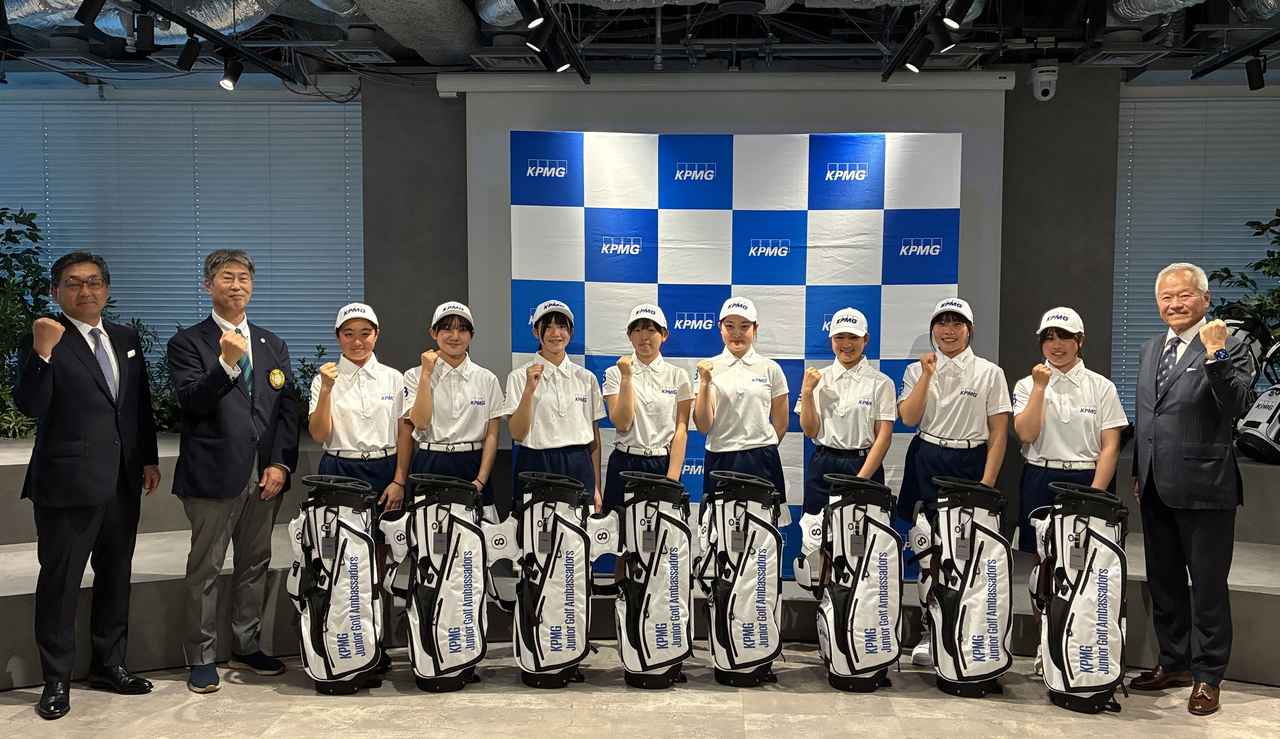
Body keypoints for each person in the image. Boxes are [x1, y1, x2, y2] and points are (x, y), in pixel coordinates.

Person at [14, 251, 161, 720]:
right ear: (56, 291)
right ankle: (56, 680)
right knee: (60, 582)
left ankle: (109, 665)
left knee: (116, 576)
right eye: (74, 283)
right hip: (67, 483)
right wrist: (42, 353)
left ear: (107, 289)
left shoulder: (124, 337)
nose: (86, 291)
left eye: (94, 282)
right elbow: (30, 405)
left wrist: (148, 458)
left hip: (122, 479)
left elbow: (137, 404)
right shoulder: (45, 336)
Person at [167, 249, 300, 694]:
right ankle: (201, 656)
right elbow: (192, 402)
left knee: (254, 564)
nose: (237, 285)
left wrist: (280, 463)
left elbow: (286, 410)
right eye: (227, 277)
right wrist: (225, 363)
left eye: (244, 277)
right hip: (213, 475)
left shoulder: (271, 343)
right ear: (208, 285)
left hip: (265, 477)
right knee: (205, 568)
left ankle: (246, 644)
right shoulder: (188, 343)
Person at [1129, 262, 1253, 716]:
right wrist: (1139, 472)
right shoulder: (1150, 349)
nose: (1175, 304)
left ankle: (1207, 676)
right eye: (1166, 297)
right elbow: (1148, 416)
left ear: (1205, 299)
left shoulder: (1229, 344)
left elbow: (1238, 404)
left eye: (1184, 295)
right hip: (1155, 486)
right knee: (1164, 584)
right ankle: (1174, 663)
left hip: (1206, 487)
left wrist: (1215, 354)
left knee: (1207, 588)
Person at [1011, 307, 1128, 676]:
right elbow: (1026, 433)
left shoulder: (1101, 386)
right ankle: (1046, 645)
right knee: (1042, 567)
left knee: (1084, 565)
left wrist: (1094, 495)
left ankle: (1080, 642)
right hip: (1039, 477)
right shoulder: (1027, 385)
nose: (1056, 345)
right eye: (1048, 337)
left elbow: (1110, 446)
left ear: (1080, 341)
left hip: (1086, 480)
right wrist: (1040, 388)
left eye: (1064, 337)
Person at [897, 297, 1011, 667]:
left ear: (969, 330)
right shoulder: (917, 370)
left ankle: (964, 629)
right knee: (927, 548)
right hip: (927, 457)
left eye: (956, 323)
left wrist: (987, 482)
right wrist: (927, 375)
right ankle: (930, 630)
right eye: (942, 323)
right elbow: (909, 418)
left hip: (970, 462)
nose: (949, 331)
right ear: (933, 329)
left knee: (966, 550)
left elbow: (999, 433)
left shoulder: (990, 372)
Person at [403, 301, 504, 519]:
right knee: (428, 532)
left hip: (472, 464)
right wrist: (426, 375)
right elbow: (420, 422)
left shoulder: (487, 379)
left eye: (462, 329)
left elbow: (492, 435)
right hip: (430, 463)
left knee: (475, 534)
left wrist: (481, 480)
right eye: (447, 328)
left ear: (471, 335)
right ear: (433, 333)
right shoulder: (414, 375)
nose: (455, 336)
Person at [504, 300, 605, 511]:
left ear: (570, 332)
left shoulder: (586, 378)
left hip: (579, 464)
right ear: (536, 331)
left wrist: (596, 485)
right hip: (535, 464)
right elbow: (517, 433)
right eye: (547, 326)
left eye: (561, 326)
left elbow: (594, 439)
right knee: (534, 529)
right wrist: (529, 390)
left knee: (578, 529)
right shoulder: (518, 377)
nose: (555, 333)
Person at [309, 303, 409, 511]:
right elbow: (319, 435)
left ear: (376, 335)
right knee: (337, 532)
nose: (357, 342)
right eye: (348, 334)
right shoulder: (323, 379)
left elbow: (404, 434)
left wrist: (399, 481)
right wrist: (326, 389)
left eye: (365, 334)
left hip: (386, 469)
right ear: (338, 336)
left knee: (388, 531)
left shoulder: (394, 378)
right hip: (338, 469)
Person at [795, 307, 895, 515]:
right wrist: (807, 392)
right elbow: (810, 431)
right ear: (831, 340)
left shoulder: (882, 382)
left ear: (865, 339)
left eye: (853, 337)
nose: (846, 344)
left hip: (864, 465)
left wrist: (860, 481)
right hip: (823, 466)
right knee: (818, 531)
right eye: (839, 337)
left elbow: (884, 437)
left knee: (863, 532)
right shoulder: (817, 378)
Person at [693, 297, 790, 502]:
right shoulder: (707, 367)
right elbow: (702, 425)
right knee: (719, 520)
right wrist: (704, 383)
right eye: (730, 326)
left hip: (762, 458)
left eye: (744, 326)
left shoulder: (771, 368)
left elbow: (781, 424)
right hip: (720, 457)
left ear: (755, 329)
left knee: (764, 521)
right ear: (720, 328)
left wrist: (760, 446)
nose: (736, 333)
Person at [601, 304, 693, 512]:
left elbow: (681, 429)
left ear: (664, 335)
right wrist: (626, 377)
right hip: (624, 463)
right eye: (637, 330)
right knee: (619, 527)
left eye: (651, 330)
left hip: (662, 464)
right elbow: (622, 423)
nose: (644, 337)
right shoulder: (614, 373)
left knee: (661, 529)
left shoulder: (678, 375)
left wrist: (672, 478)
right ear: (629, 335)